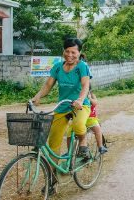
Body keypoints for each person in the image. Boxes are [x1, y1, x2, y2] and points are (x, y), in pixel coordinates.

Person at [31, 37, 92, 191]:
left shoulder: (82, 67)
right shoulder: (58, 67)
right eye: (67, 51)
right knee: (54, 143)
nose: (70, 55)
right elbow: (48, 85)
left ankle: (84, 146)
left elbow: (85, 85)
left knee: (78, 126)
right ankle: (52, 180)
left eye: (73, 52)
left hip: (80, 105)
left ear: (79, 53)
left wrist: (80, 99)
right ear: (63, 51)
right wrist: (37, 96)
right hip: (63, 107)